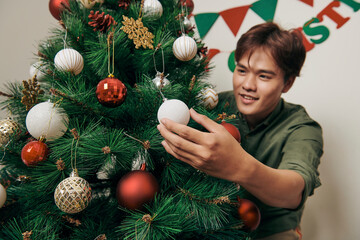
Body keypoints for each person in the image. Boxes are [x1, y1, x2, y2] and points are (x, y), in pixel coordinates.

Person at [157, 22, 323, 240]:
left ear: (287, 83)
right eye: (242, 70)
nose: (248, 85)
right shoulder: (214, 105)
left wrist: (237, 165)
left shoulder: (301, 127)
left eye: (264, 76)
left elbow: (293, 192)